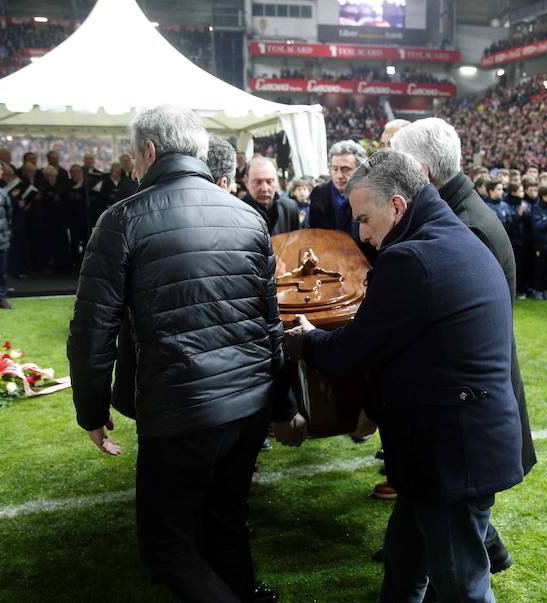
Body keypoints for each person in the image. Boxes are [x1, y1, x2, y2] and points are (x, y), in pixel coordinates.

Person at [67, 105, 305, 603]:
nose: (133, 166)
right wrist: (281, 405)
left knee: (167, 548)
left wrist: (91, 409)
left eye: (134, 155)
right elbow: (271, 325)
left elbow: (92, 332)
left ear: (150, 151)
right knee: (225, 518)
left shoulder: (122, 220)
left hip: (182, 410)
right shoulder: (246, 216)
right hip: (248, 403)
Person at [286, 149, 523, 602]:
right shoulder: (453, 236)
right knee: (404, 561)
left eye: (364, 219)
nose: (361, 233)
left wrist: (308, 339)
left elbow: (354, 350)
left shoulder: (412, 258)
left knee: (461, 587)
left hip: (448, 452)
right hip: (447, 445)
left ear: (397, 206)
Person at [392, 117, 537, 576]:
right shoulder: (459, 213)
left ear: (421, 171)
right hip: (468, 395)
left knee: (456, 518)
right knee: (436, 515)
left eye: (397, 164)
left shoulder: (464, 226)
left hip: (469, 402)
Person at [308, 140, 375, 261]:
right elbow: (314, 233)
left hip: (363, 261)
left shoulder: (371, 195)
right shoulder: (318, 193)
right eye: (335, 169)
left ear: (360, 170)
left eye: (345, 169)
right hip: (327, 259)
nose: (339, 175)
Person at [242, 156, 300, 235]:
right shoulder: (237, 213)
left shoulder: (290, 208)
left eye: (270, 181)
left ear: (277, 181)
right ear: (246, 182)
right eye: (257, 182)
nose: (264, 189)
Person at [0, 160, 13, 309]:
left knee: (2, 272)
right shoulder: (2, 192)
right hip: (0, 238)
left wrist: (5, 233)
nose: (2, 172)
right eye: (0, 169)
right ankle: (2, 298)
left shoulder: (2, 193)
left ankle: (2, 298)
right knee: (1, 272)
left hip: (0, 239)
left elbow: (9, 215)